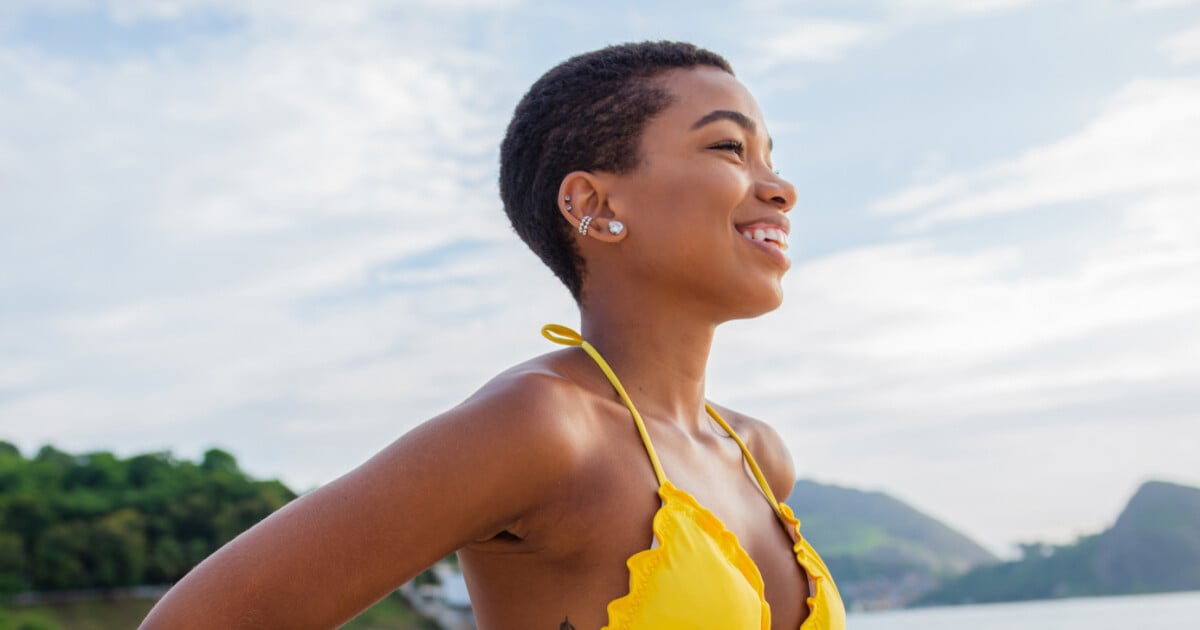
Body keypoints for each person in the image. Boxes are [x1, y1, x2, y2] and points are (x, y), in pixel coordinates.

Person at [140, 41, 846, 630]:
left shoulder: (757, 456)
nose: (779, 187)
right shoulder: (542, 430)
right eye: (729, 147)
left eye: (770, 156)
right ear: (593, 205)